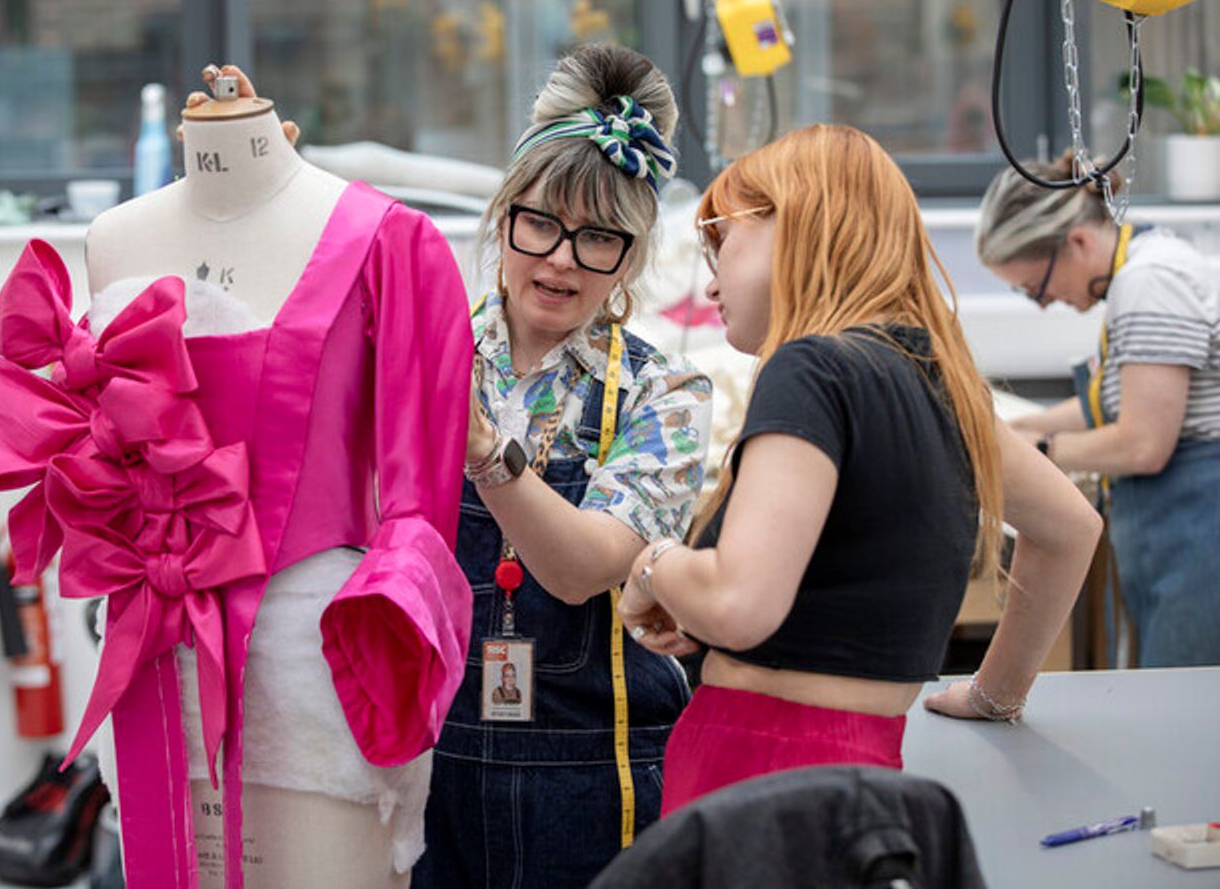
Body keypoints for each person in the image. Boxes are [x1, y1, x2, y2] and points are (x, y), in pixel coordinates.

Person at [614, 124, 1102, 816]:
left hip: (759, 771)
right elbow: (1070, 530)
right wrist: (996, 694)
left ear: (799, 223)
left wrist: (653, 565)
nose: (712, 278)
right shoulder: (941, 379)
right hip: (868, 767)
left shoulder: (808, 367)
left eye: (724, 240)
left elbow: (738, 604)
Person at [411, 44, 713, 888]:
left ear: (635, 253)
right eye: (539, 223)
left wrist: (484, 456)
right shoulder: (416, 357)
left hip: (602, 781)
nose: (561, 260)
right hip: (426, 766)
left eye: (599, 239)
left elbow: (584, 571)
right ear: (502, 215)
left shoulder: (667, 391)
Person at [974, 155, 1220, 666]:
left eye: (1035, 288)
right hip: (1174, 528)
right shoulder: (1143, 269)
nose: (1044, 303)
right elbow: (1113, 400)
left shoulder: (1152, 284)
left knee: (1185, 702)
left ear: (1078, 243)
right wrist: (1018, 427)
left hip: (1199, 525)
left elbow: (1142, 443)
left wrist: (1038, 453)